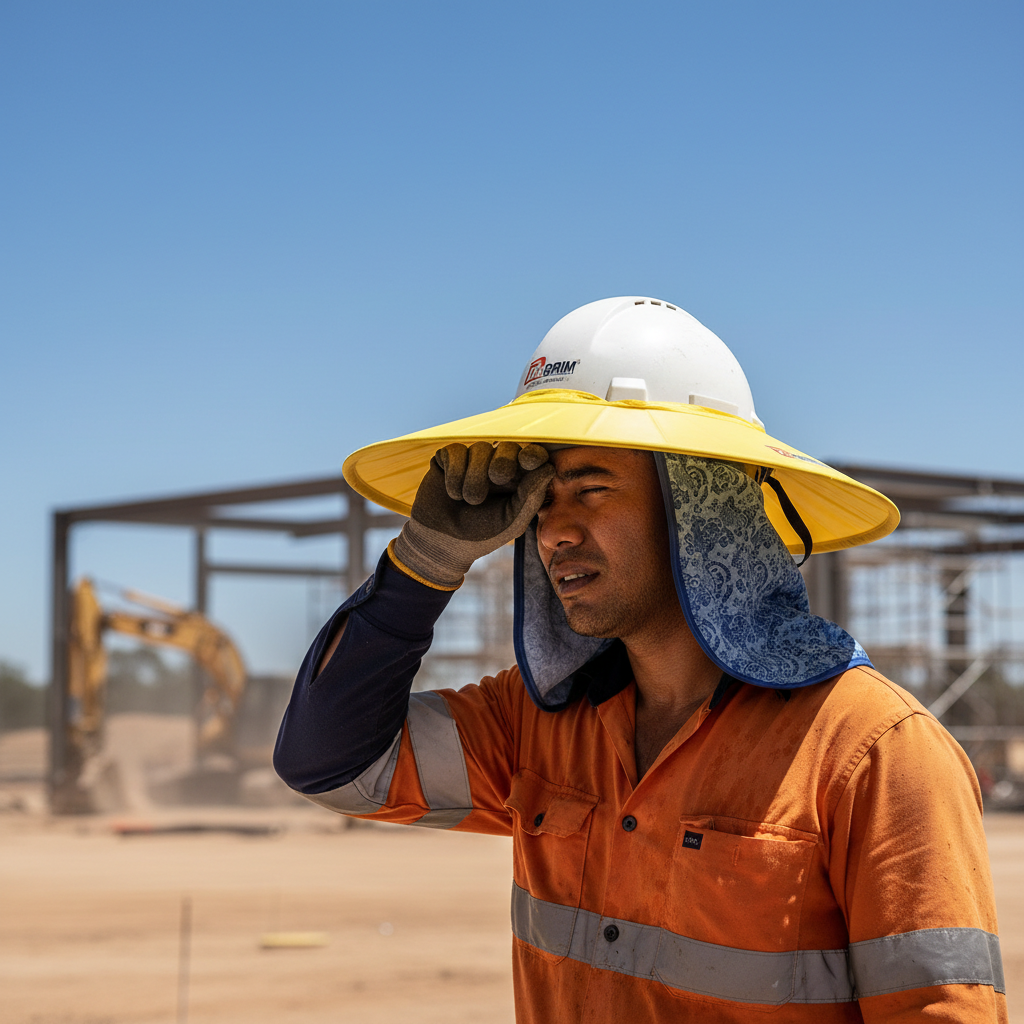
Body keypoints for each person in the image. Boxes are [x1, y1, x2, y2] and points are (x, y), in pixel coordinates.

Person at [275, 297, 1005, 1022]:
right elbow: (334, 765)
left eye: (592, 489)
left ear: (703, 508)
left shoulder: (873, 752)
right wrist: (426, 559)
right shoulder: (539, 720)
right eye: (543, 502)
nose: (554, 531)